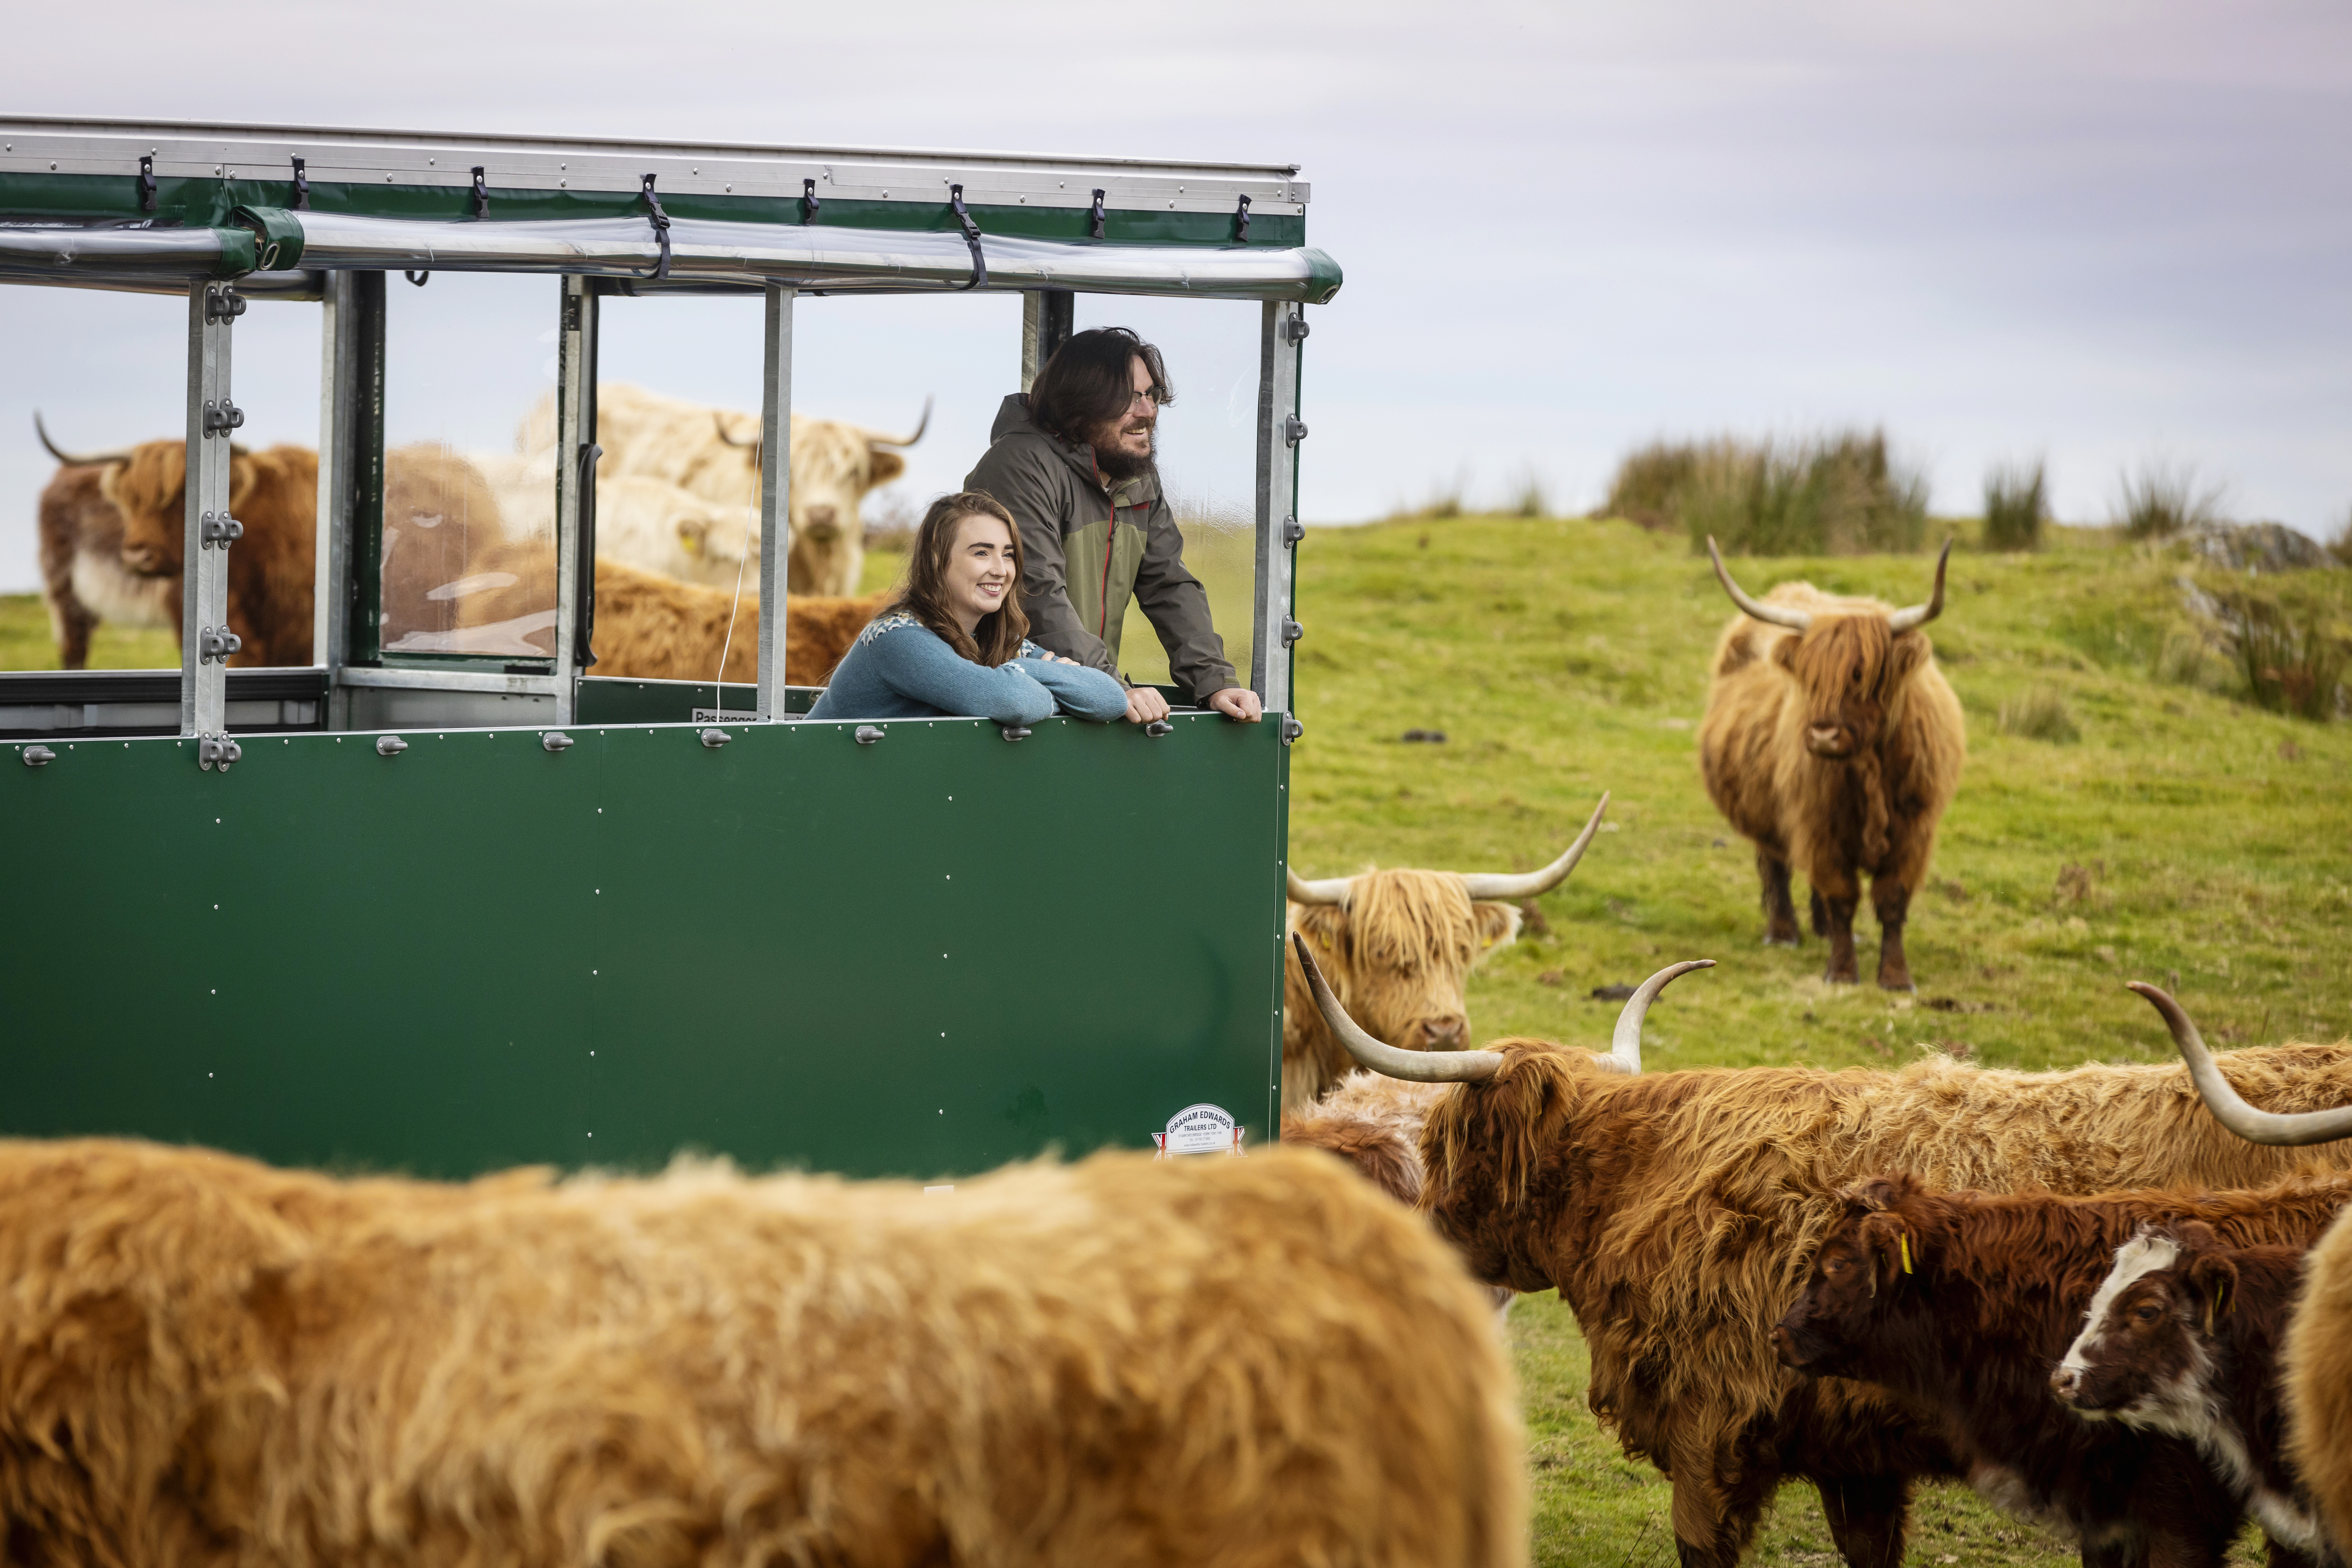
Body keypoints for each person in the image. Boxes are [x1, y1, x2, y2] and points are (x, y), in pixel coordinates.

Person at [964, 327, 1265, 727]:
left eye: (1150, 394)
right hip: (1007, 706)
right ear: (1080, 404)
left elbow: (1168, 584)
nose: (1148, 411)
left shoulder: (1135, 476)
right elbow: (1037, 593)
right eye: (1129, 397)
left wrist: (1215, 683)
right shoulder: (1020, 464)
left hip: (1081, 697)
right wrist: (1110, 687)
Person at [806, 492, 1128, 724]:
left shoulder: (996, 639)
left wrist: (1008, 676)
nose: (1001, 570)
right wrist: (1046, 676)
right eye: (981, 553)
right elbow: (1019, 701)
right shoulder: (897, 638)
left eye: (1008, 554)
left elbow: (1109, 698)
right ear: (936, 558)